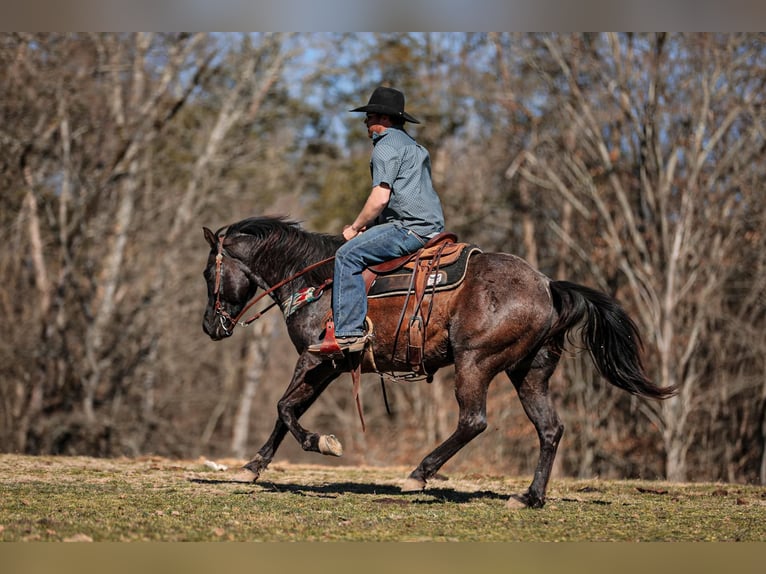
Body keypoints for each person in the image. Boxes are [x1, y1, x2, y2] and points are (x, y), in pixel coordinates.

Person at [308, 86, 445, 354]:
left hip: (408, 229)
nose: (365, 122)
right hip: (430, 227)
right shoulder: (413, 146)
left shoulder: (385, 146)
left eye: (369, 117)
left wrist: (355, 228)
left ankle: (348, 334)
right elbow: (404, 195)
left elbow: (381, 197)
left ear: (383, 119)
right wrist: (371, 228)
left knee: (347, 256)